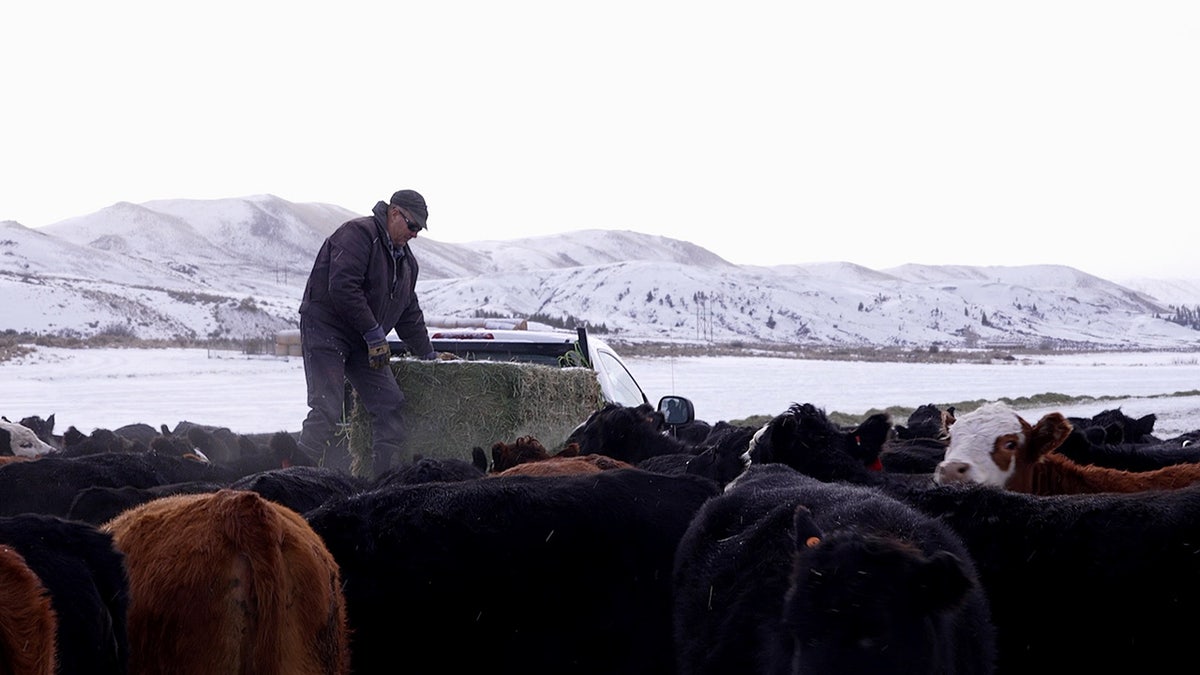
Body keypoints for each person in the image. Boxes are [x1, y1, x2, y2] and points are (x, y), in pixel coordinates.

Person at [297, 189, 437, 475]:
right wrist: (374, 332)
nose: (415, 234)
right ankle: (292, 480)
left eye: (419, 229)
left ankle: (380, 482)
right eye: (412, 226)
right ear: (394, 213)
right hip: (327, 329)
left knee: (390, 404)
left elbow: (409, 315)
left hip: (364, 339)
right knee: (327, 408)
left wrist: (428, 356)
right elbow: (343, 288)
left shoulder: (407, 264)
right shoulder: (358, 234)